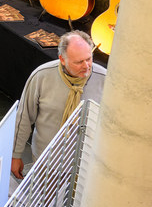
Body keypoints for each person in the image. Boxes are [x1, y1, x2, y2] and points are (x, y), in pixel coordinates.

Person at [11, 31, 106, 179]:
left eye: (89, 59)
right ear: (62, 59)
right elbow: (24, 117)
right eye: (78, 62)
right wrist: (15, 155)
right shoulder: (41, 76)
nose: (86, 66)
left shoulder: (105, 80)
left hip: (86, 164)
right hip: (46, 161)